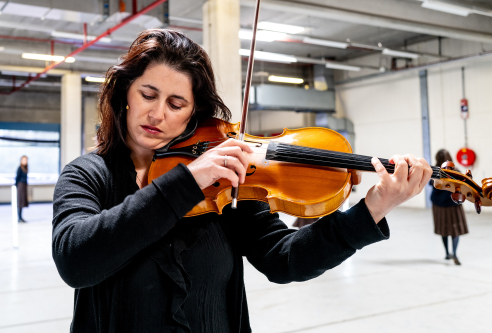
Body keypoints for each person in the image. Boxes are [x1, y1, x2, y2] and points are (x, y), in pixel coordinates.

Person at [52, 29, 432, 332]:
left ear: (192, 115)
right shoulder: (88, 175)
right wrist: (186, 182)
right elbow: (76, 262)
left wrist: (372, 209)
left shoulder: (225, 182)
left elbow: (285, 260)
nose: (157, 113)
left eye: (176, 103)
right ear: (125, 97)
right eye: (148, 94)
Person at [430, 149, 468, 265]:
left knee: (443, 229)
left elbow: (431, 184)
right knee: (455, 229)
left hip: (439, 205)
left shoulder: (435, 171)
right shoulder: (456, 171)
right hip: (453, 205)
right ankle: (454, 253)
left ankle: (447, 253)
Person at [15, 155, 29, 223]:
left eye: (26, 160)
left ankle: (21, 217)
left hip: (24, 186)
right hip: (20, 186)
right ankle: (19, 217)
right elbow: (17, 178)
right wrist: (16, 186)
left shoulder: (25, 168)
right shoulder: (19, 168)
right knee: (20, 202)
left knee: (22, 202)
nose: (25, 161)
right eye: (24, 160)